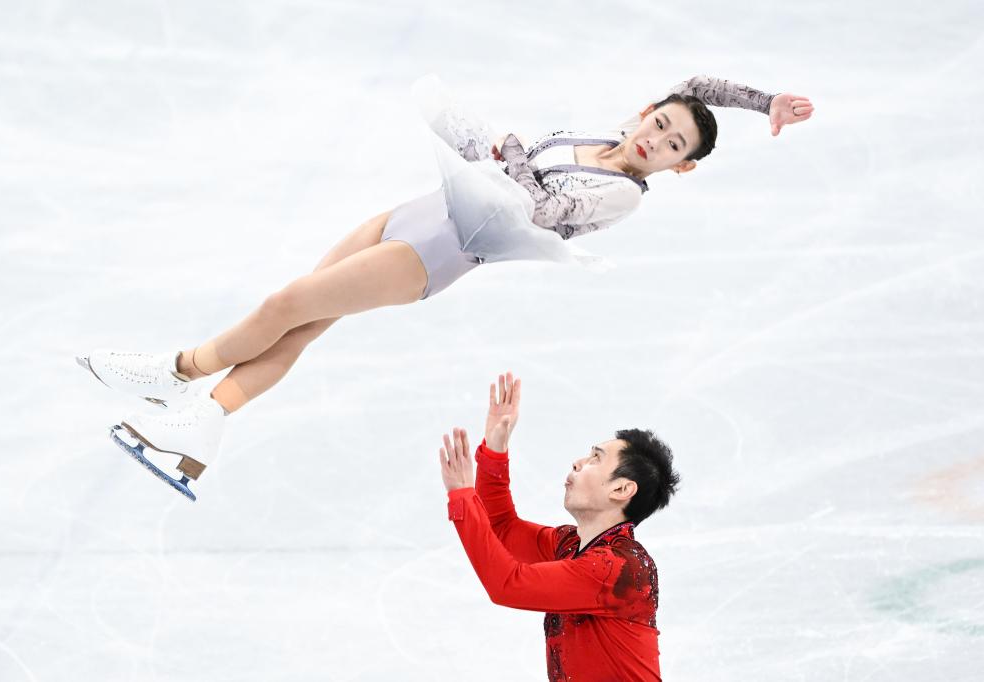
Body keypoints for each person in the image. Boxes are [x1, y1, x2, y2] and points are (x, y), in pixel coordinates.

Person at [78, 74, 812, 499]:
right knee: (302, 318)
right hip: (423, 210)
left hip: (440, 250)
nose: (657, 138)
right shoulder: (604, 138)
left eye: (674, 145)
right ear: (645, 112)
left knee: (285, 306)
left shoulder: (621, 193)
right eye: (661, 123)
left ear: (680, 167)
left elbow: (541, 211)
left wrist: (509, 150)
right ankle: (203, 422)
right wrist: (765, 100)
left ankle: (177, 375)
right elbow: (696, 88)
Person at [438, 372, 680, 682]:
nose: (578, 462)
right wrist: (495, 451)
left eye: (595, 459)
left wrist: (462, 497)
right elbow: (503, 528)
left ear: (621, 489)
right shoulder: (571, 545)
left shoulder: (617, 568)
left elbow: (506, 585)